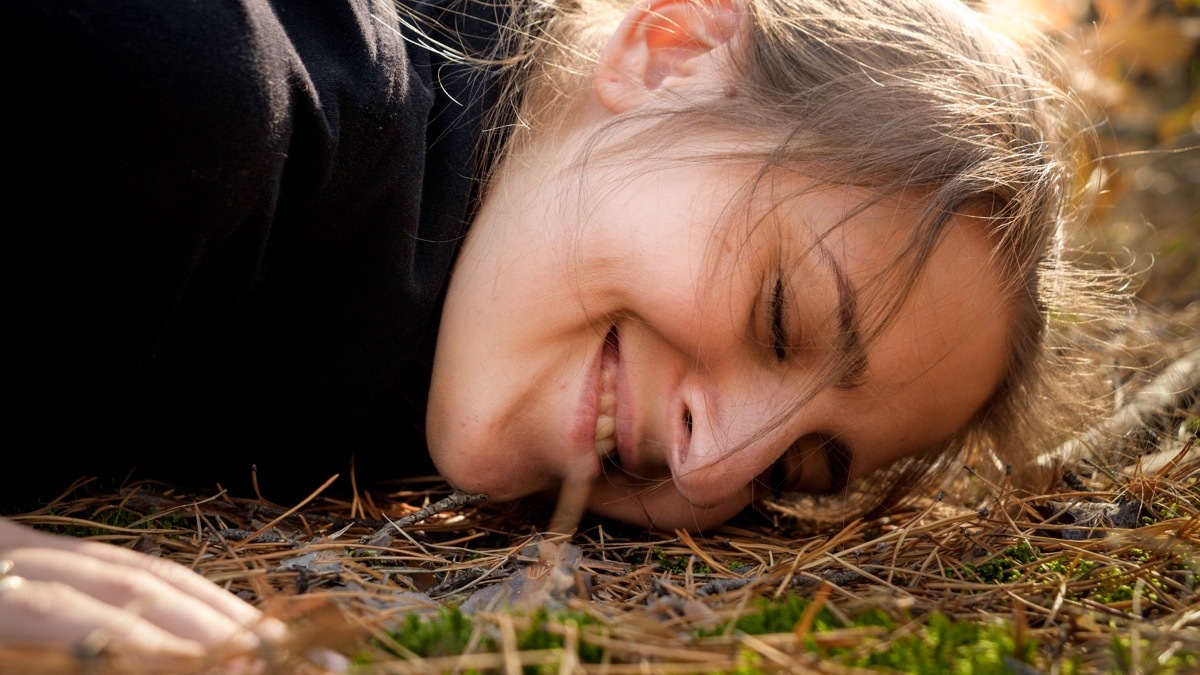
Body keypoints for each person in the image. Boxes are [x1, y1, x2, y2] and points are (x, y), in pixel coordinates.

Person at [1, 0, 1102, 665]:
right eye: (781, 317)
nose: (712, 467)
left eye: (797, 473)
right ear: (665, 53)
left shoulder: (467, 281)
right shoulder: (194, 89)